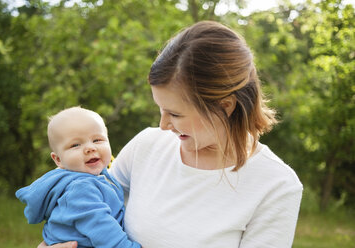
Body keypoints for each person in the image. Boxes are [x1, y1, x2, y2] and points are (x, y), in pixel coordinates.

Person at [39, 20, 303, 248]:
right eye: (161, 110)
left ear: (225, 106)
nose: (163, 125)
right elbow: (81, 211)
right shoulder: (147, 145)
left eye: (175, 114)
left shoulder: (276, 185)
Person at [16, 106, 141, 248]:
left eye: (97, 140)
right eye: (75, 145)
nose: (90, 148)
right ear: (58, 160)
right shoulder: (80, 187)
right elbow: (100, 227)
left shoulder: (99, 176)